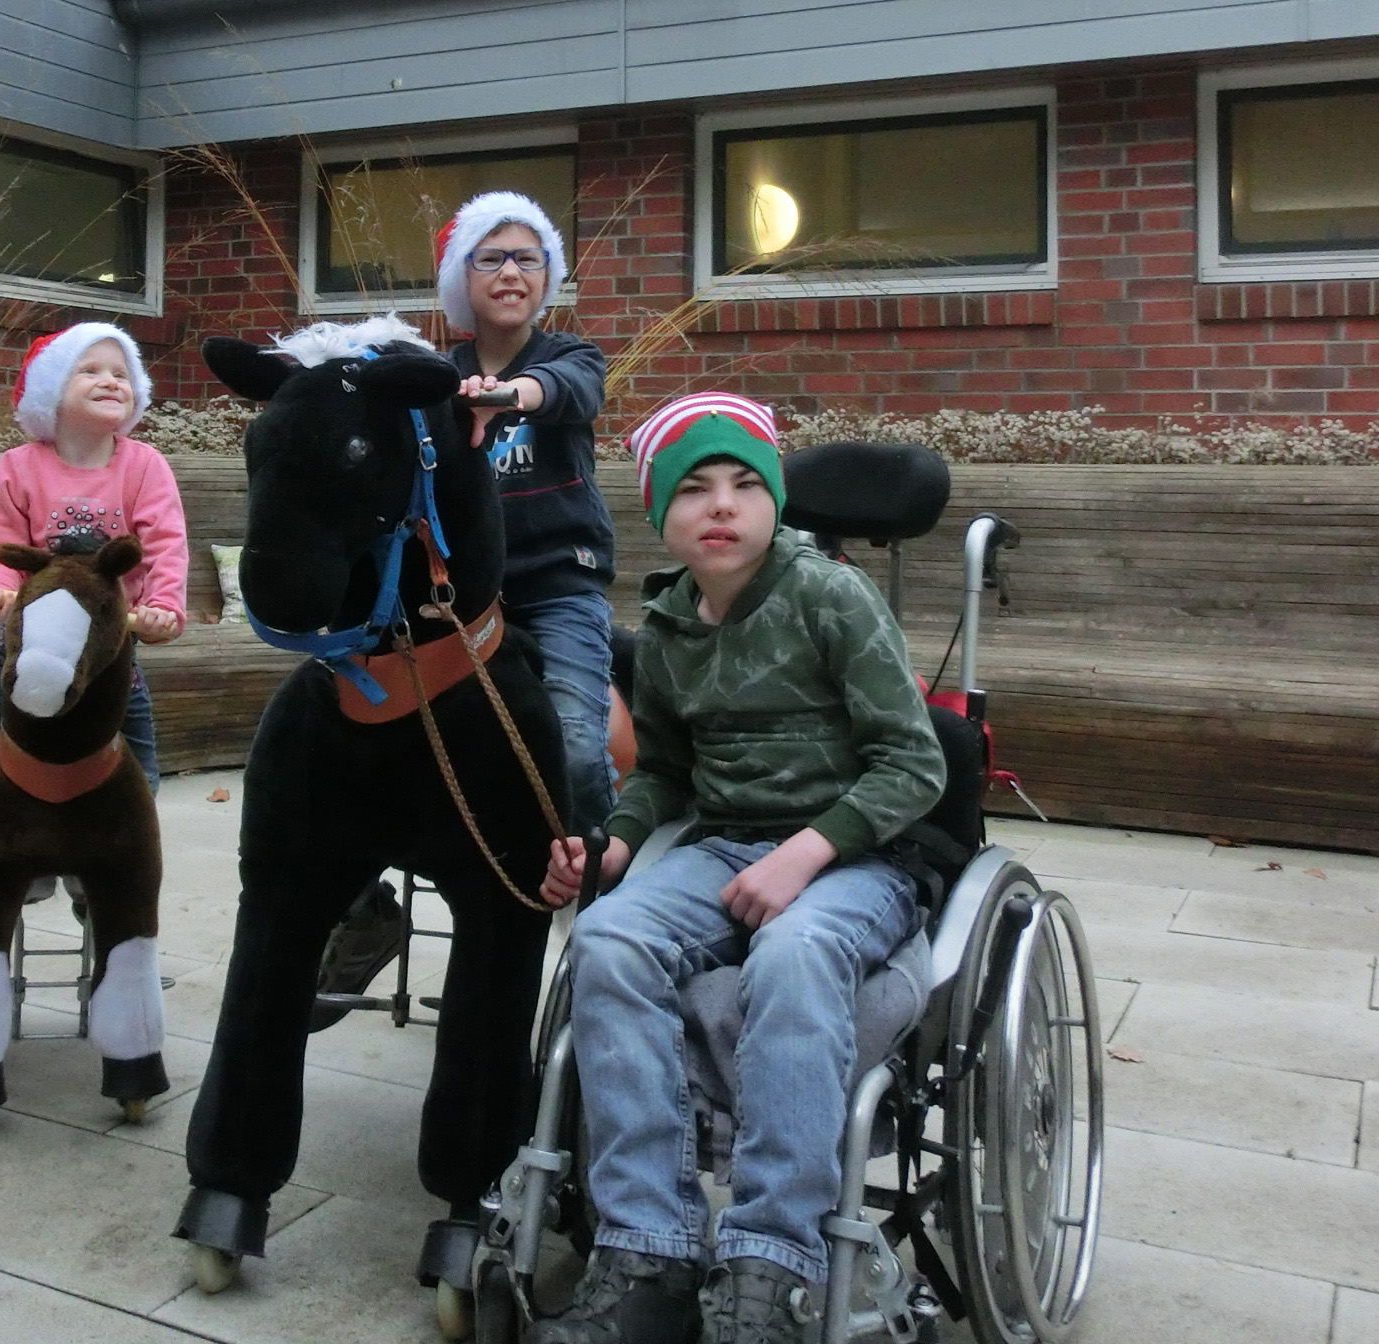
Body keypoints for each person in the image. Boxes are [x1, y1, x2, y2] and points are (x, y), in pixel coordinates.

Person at [531, 393, 946, 1344]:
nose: (721, 504)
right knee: (607, 937)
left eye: (744, 484)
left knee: (795, 954)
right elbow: (665, 770)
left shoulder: (830, 597)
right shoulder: (668, 625)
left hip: (858, 853)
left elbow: (914, 763)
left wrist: (805, 855)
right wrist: (618, 843)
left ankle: (774, 1262)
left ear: (774, 504)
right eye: (694, 489)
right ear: (661, 514)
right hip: (723, 843)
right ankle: (648, 1250)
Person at [313, 191, 619, 1010]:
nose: (511, 271)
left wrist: (503, 397)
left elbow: (568, 390)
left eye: (527, 257)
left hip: (555, 586)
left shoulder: (572, 353)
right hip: (452, 600)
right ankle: (363, 912)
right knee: (344, 735)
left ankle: (610, 912)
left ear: (547, 276)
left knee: (578, 750)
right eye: (491, 257)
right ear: (462, 278)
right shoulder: (431, 372)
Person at [0, 323, 189, 971]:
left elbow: (164, 543)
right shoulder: (21, 467)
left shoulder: (143, 466)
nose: (110, 381)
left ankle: (101, 881)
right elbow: (0, 545)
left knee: (138, 771)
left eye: (121, 372)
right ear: (52, 389)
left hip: (108, 660)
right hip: (22, 655)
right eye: (91, 370)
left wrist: (163, 605)